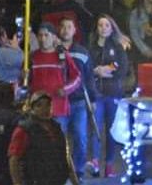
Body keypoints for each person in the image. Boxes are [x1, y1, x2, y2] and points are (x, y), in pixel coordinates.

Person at [88, 14, 130, 178]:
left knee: (111, 131)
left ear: (112, 28)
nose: (103, 28)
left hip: (113, 93)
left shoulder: (118, 47)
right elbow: (87, 67)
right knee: (96, 129)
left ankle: (110, 164)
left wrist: (108, 70)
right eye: (100, 25)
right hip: (97, 93)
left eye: (106, 25)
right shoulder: (91, 47)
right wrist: (96, 71)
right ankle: (95, 162)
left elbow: (122, 68)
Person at [8, 92, 79, 185]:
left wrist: (75, 182)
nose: (44, 109)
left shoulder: (56, 128)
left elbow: (66, 158)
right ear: (32, 108)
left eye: (48, 105)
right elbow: (14, 160)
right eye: (39, 106)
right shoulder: (24, 130)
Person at [57, 17, 97, 182]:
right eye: (63, 27)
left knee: (81, 138)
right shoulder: (54, 51)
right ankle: (60, 171)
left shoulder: (82, 52)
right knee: (59, 139)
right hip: (59, 102)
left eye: (69, 27)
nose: (66, 30)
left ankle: (78, 171)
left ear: (74, 31)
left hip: (79, 102)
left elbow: (89, 77)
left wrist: (93, 99)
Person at [25, 23, 81, 130]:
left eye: (46, 35)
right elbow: (24, 82)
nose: (43, 39)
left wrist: (65, 89)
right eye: (40, 35)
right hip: (37, 109)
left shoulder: (62, 56)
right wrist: (23, 77)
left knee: (58, 142)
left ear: (54, 37)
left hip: (58, 108)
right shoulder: (32, 57)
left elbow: (77, 77)